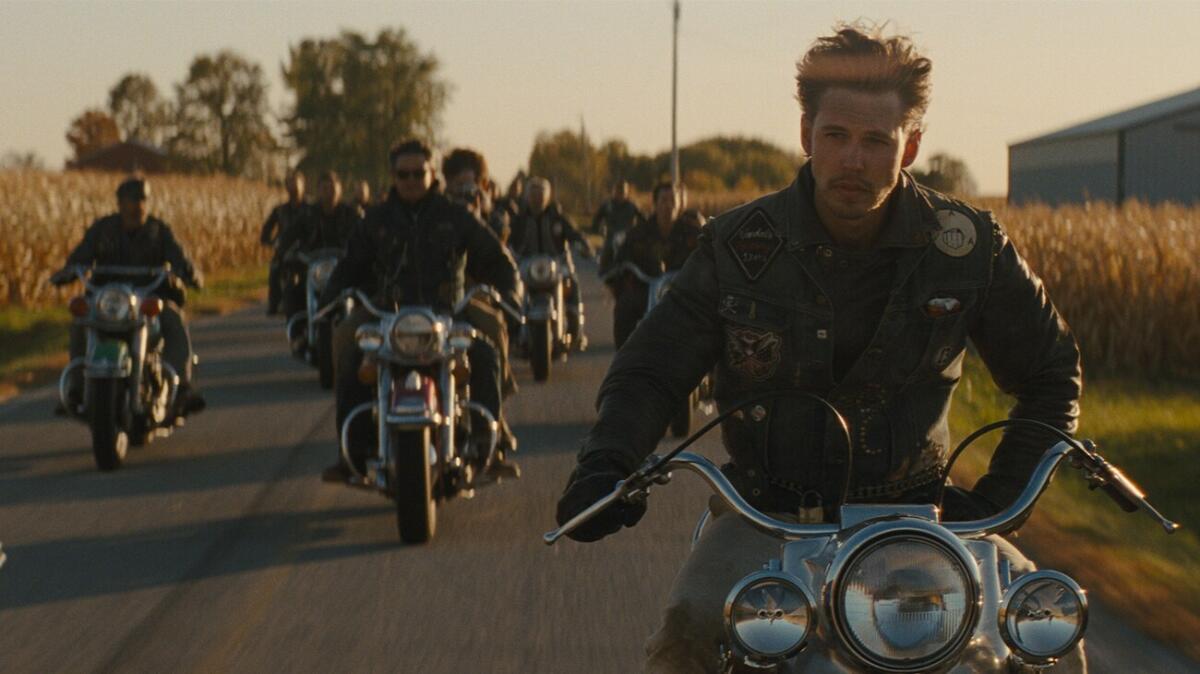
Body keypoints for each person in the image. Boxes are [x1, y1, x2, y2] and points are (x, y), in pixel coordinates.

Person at [554, 23, 1083, 673]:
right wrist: (606, 465)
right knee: (687, 636)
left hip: (927, 522)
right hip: (768, 519)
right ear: (807, 136)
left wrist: (994, 506)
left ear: (910, 146)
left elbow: (1053, 371)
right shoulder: (739, 247)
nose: (853, 160)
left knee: (1047, 630)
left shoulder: (968, 245)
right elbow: (652, 367)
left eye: (875, 141)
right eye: (836, 136)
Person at [319, 140, 522, 483]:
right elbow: (349, 264)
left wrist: (510, 292)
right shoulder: (375, 220)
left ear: (431, 175)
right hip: (387, 314)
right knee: (347, 346)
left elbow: (497, 258)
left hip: (448, 312)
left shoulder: (456, 216)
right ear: (393, 176)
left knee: (485, 354)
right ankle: (350, 450)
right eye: (404, 174)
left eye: (418, 173)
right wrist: (331, 297)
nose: (411, 180)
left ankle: (492, 442)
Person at [51, 177, 207, 416]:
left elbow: (179, 257)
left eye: (142, 200)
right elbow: (82, 255)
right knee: (80, 322)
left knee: (172, 318)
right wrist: (67, 271)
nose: (138, 206)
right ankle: (77, 389)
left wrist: (189, 272)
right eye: (132, 200)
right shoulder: (103, 229)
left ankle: (183, 386)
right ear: (120, 203)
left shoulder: (158, 231)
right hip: (108, 300)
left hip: (148, 298)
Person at [443, 147, 522, 443]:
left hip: (475, 294)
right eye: (458, 183)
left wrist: (480, 215)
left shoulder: (493, 214)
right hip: (444, 296)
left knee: (493, 329)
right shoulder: (439, 211)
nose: (464, 190)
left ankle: (493, 420)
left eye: (470, 183)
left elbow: (497, 250)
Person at [607, 181, 704, 349]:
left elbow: (708, 256)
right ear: (655, 204)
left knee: (710, 312)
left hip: (685, 290)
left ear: (680, 203)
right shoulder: (639, 232)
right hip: (647, 291)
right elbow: (620, 261)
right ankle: (623, 361)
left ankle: (709, 365)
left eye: (673, 200)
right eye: (664, 200)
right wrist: (615, 277)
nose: (668, 206)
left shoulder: (692, 231)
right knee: (624, 307)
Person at [508, 177, 595, 350]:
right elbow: (506, 237)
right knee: (511, 292)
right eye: (533, 194)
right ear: (527, 196)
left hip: (557, 265)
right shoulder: (519, 219)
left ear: (548, 196)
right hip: (527, 267)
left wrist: (584, 245)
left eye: (541, 194)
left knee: (572, 285)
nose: (537, 198)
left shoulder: (558, 217)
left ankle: (577, 329)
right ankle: (513, 331)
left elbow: (574, 233)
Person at [277, 171, 361, 329]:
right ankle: (296, 331)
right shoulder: (308, 214)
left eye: (332, 188)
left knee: (364, 290)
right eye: (324, 188)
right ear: (318, 191)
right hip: (312, 267)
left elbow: (364, 234)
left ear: (340, 190)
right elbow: (289, 235)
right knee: (292, 289)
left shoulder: (350, 213)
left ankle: (361, 333)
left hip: (344, 266)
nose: (329, 192)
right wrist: (284, 250)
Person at [260, 171, 309, 316]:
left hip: (306, 251)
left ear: (303, 186)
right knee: (274, 268)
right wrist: (270, 241)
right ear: (286, 187)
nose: (294, 187)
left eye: (297, 183)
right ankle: (274, 303)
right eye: (291, 183)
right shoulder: (280, 210)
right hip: (285, 252)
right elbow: (266, 230)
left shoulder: (311, 209)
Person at [594, 179, 644, 277]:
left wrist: (639, 232)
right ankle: (603, 272)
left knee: (639, 255)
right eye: (618, 190)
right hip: (611, 236)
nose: (620, 193)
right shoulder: (608, 205)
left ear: (627, 192)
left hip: (628, 237)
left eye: (623, 191)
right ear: (614, 191)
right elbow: (596, 220)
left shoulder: (632, 206)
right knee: (606, 252)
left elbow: (643, 220)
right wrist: (598, 230)